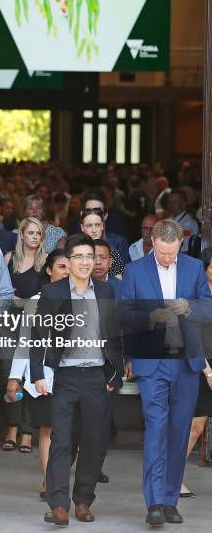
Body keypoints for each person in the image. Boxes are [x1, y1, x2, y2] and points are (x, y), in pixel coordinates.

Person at [120, 219, 212, 527]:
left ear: (180, 245)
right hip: (152, 362)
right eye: (162, 253)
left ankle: (171, 500)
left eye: (172, 254)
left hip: (186, 362)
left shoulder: (194, 267)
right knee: (156, 430)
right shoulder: (134, 271)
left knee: (179, 432)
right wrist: (148, 317)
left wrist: (188, 307)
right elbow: (123, 315)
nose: (167, 259)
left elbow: (208, 308)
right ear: (153, 243)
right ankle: (155, 502)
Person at [30, 234, 123, 525]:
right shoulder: (53, 292)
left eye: (90, 256)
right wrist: (37, 374)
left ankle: (83, 500)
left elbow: (115, 334)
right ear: (67, 262)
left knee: (95, 441)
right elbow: (38, 335)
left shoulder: (107, 291)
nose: (86, 262)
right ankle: (58, 504)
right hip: (66, 376)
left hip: (97, 376)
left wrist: (116, 373)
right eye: (79, 257)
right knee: (61, 441)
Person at [7, 249, 69, 499]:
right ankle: (49, 482)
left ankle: (59, 478)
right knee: (47, 429)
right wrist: (15, 377)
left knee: (71, 431)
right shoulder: (35, 300)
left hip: (74, 373)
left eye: (69, 266)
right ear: (49, 270)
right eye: (62, 267)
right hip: (42, 373)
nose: (67, 271)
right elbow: (24, 341)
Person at [2, 218, 47, 454]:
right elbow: (4, 295)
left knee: (31, 374)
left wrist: (22, 300)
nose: (34, 237)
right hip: (9, 323)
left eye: (38, 233)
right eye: (30, 232)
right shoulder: (9, 259)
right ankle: (11, 427)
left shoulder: (45, 262)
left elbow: (44, 298)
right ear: (21, 234)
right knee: (10, 375)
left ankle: (27, 431)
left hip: (34, 325)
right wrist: (20, 300)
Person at [180, 247, 212, 498]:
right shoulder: (194, 299)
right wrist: (208, 371)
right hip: (199, 364)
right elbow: (190, 337)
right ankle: (173, 477)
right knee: (195, 426)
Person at [79, 208, 125, 276]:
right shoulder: (74, 253)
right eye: (89, 225)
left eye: (97, 225)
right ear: (82, 227)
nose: (94, 230)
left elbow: (118, 283)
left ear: (102, 226)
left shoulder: (112, 253)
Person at [166, 189, 199, 253]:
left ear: (183, 204)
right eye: (169, 202)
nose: (170, 205)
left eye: (174, 202)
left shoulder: (189, 224)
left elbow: (186, 249)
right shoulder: (170, 220)